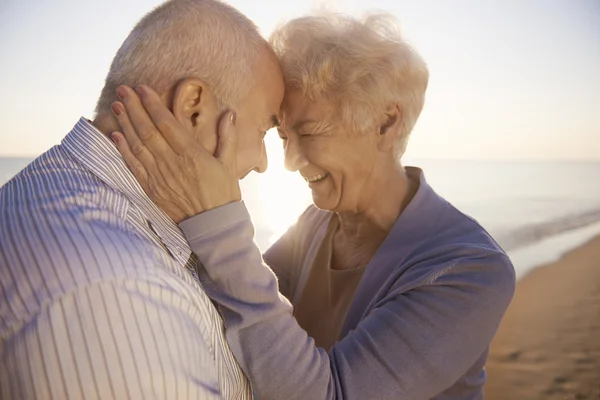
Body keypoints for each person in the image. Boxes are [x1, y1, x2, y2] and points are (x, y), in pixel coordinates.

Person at [111, 11, 517, 400]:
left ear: (385, 122)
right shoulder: (317, 222)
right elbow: (231, 309)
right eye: (284, 136)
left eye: (308, 131)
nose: (289, 161)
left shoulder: (470, 270)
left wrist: (216, 222)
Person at [0, 0, 284, 399]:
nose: (263, 164)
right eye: (265, 129)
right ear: (193, 108)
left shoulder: (51, 188)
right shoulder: (122, 295)